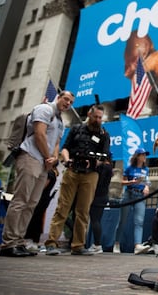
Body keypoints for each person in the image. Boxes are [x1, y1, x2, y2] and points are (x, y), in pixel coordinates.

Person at [0, 91, 74, 257]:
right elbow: (39, 134)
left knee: (31, 203)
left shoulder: (60, 121)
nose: (68, 103)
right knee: (20, 200)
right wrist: (48, 157)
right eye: (66, 99)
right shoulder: (44, 109)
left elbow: (55, 143)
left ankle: (18, 241)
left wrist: (53, 159)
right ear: (59, 98)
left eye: (71, 102)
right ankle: (8, 244)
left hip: (44, 164)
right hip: (30, 157)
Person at [45, 104, 110, 256]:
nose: (98, 120)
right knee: (63, 207)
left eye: (100, 118)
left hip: (91, 174)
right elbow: (65, 148)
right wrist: (67, 160)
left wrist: (94, 162)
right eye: (96, 117)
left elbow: (105, 156)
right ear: (89, 114)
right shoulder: (76, 129)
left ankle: (78, 245)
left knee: (83, 211)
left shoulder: (104, 134)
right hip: (72, 171)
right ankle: (51, 243)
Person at [113, 148, 151, 254]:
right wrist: (132, 182)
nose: (144, 157)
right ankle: (116, 243)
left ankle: (137, 245)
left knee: (139, 221)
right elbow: (122, 182)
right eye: (142, 155)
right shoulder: (129, 168)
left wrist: (146, 187)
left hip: (140, 195)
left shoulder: (146, 170)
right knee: (122, 220)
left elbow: (147, 181)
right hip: (129, 194)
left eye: (145, 155)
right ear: (137, 156)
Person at [24, 168, 58, 252]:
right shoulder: (52, 173)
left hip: (41, 198)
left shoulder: (50, 173)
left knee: (35, 219)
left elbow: (43, 185)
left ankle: (31, 240)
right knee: (37, 219)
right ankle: (33, 241)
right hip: (43, 198)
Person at [87, 154, 114, 254]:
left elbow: (98, 182)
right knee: (96, 220)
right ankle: (97, 244)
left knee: (95, 220)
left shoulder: (103, 168)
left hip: (97, 196)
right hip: (103, 196)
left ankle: (97, 244)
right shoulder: (109, 168)